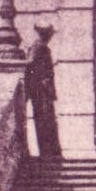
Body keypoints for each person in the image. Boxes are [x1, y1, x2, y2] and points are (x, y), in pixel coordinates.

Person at [25, 22, 62, 157]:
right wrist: (41, 80)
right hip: (41, 90)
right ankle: (47, 152)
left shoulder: (42, 47)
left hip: (45, 90)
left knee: (48, 120)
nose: (50, 36)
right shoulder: (37, 47)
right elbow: (30, 63)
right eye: (48, 33)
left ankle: (50, 151)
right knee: (44, 120)